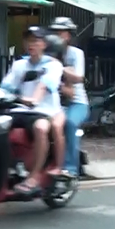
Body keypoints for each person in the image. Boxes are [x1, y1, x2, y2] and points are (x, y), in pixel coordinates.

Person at [0, 26, 65, 194]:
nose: (31, 44)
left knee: (41, 128)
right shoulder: (20, 64)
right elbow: (7, 86)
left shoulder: (53, 65)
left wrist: (34, 99)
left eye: (36, 40)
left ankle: (34, 176)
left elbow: (45, 85)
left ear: (43, 44)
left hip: (44, 111)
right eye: (28, 40)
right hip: (20, 109)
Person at [49, 17, 89, 176]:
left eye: (61, 32)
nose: (57, 35)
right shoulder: (48, 52)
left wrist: (57, 67)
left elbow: (78, 77)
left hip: (76, 103)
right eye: (55, 32)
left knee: (70, 123)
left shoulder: (76, 54)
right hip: (53, 102)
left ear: (69, 35)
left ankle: (70, 168)